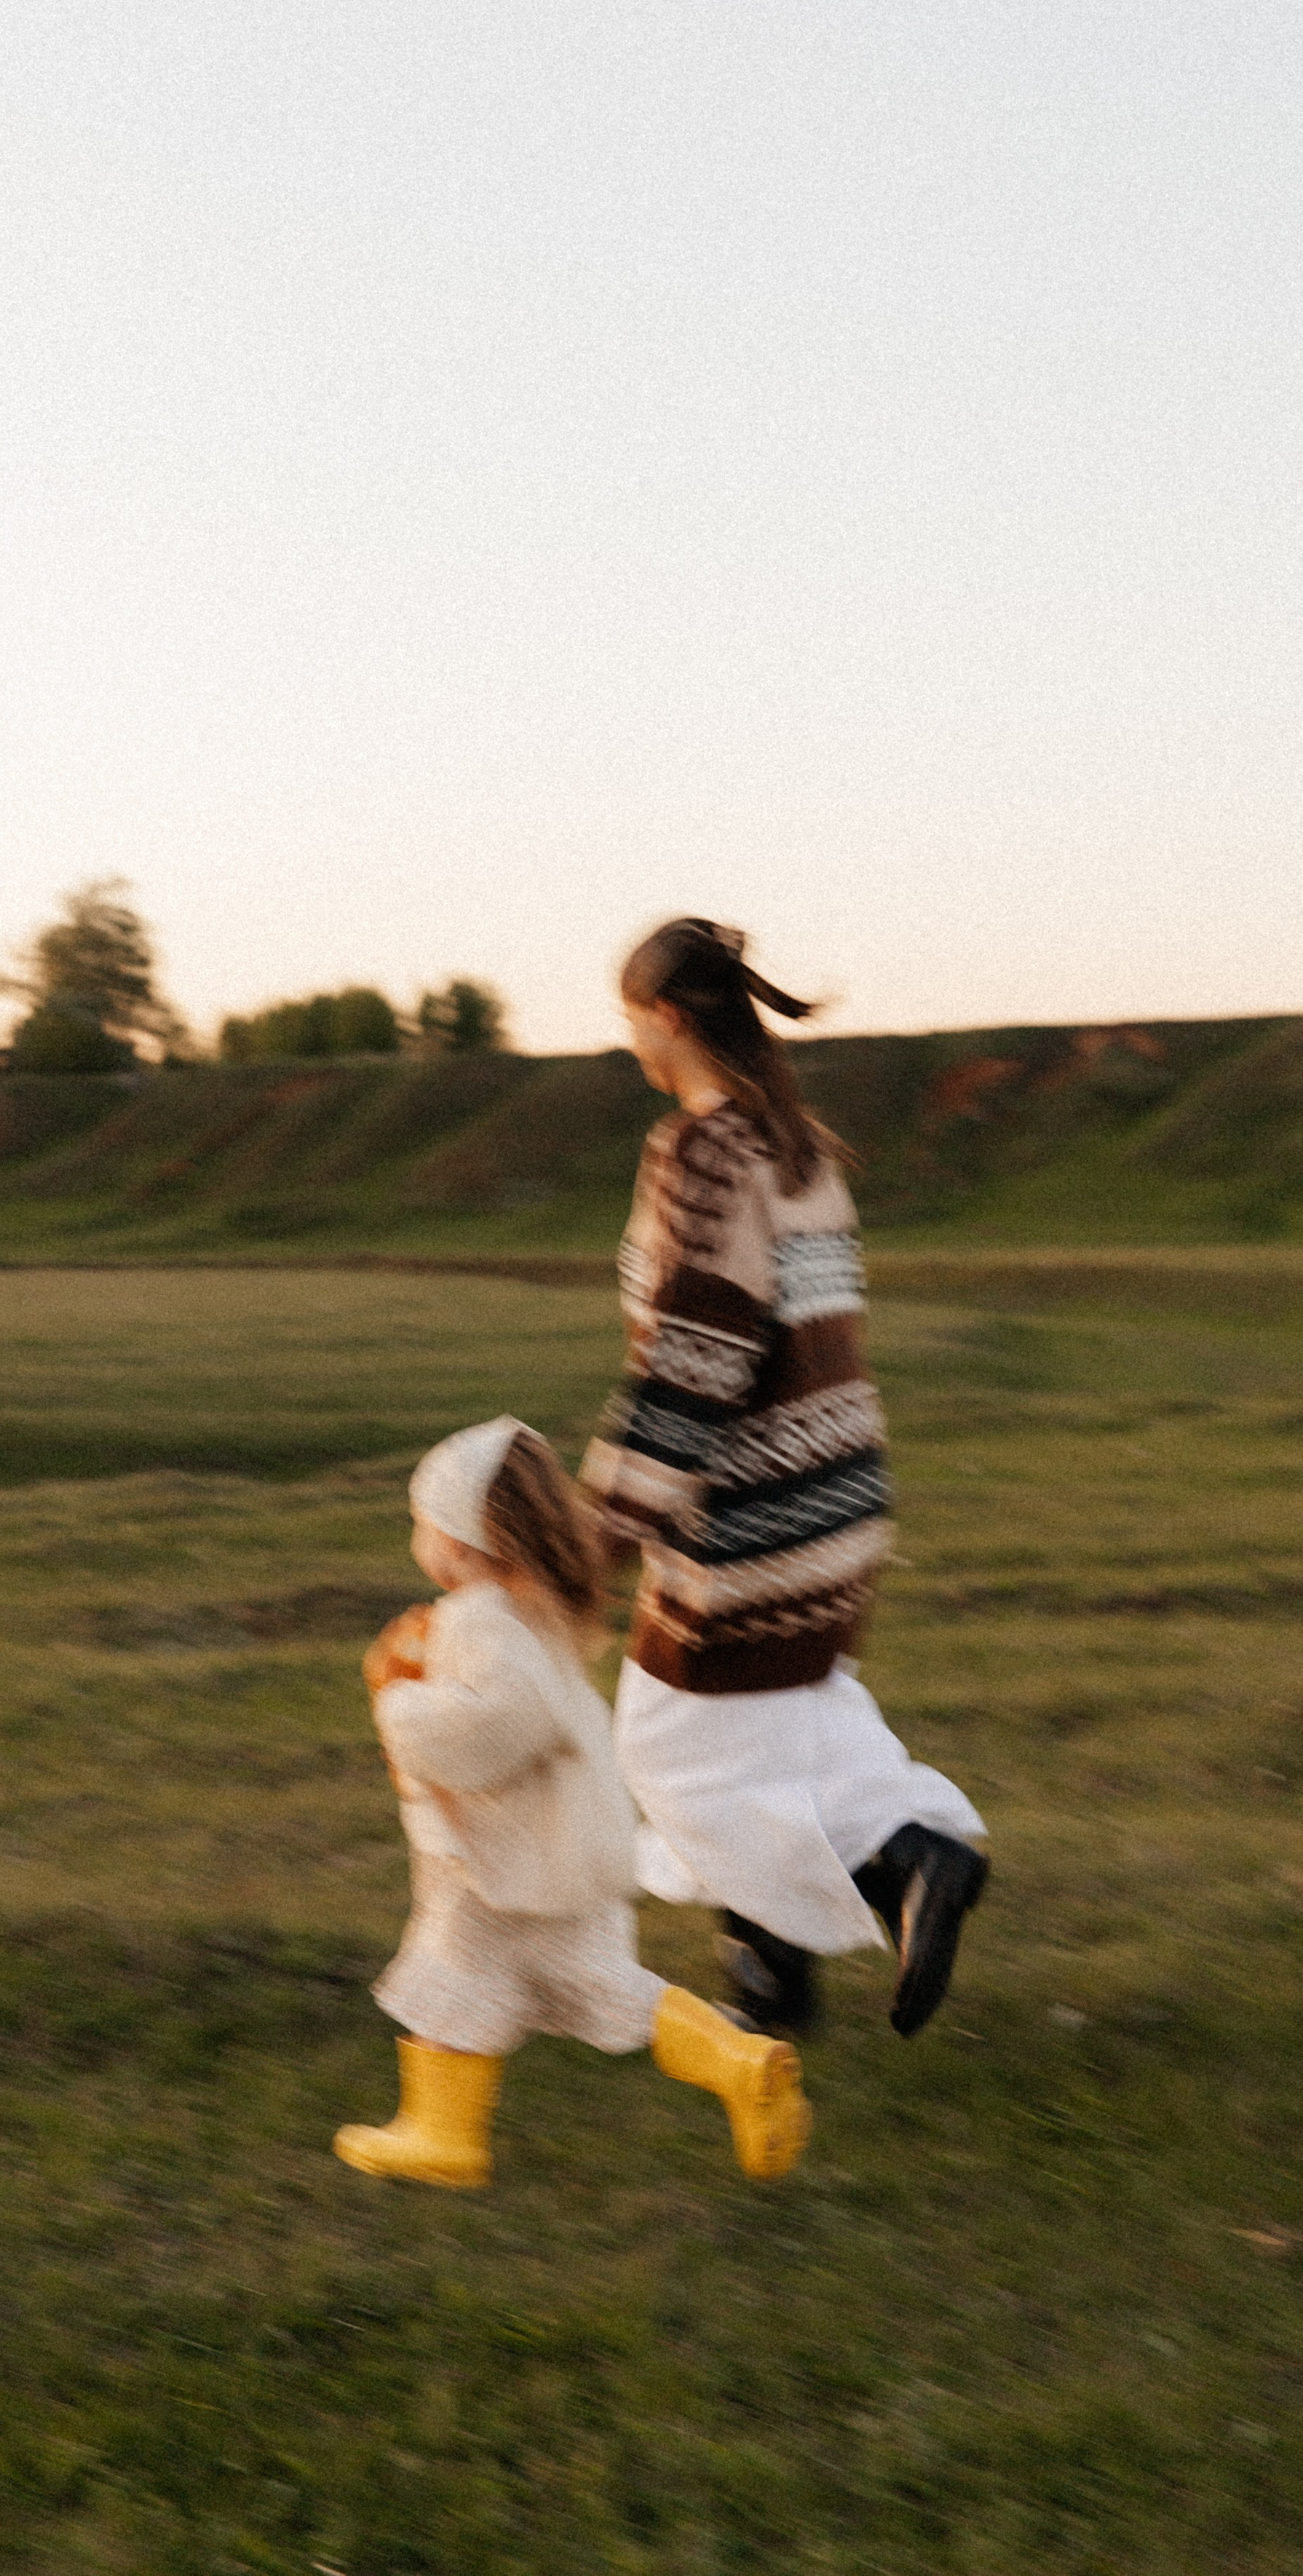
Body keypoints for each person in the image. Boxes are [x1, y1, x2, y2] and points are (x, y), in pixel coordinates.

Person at [579, 918, 988, 2040]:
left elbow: (693, 1360)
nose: (628, 1044)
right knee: (789, 1729)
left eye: (628, 1021)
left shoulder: (705, 1149)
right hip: (840, 1498)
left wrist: (601, 1524)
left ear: (664, 1017)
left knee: (672, 1753)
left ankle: (905, 1859)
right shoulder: (796, 1147)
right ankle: (773, 1991)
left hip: (750, 1516)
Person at [333, 1416, 812, 2189]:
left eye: (420, 1523)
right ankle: (737, 2060)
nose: (417, 1538)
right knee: (600, 1985)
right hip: (563, 1843)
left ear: (459, 1541)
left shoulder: (477, 1619)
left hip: (502, 1854)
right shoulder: (535, 1611)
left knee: (450, 1969)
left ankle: (443, 2135)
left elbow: (499, 1721)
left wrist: (400, 1701)